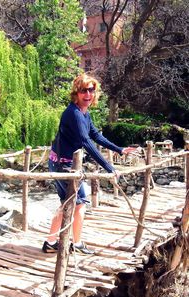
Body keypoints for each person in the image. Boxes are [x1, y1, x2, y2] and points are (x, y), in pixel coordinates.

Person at [42, 74, 135, 254]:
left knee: (69, 204)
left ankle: (52, 242)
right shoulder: (74, 113)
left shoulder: (84, 113)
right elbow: (85, 142)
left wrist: (119, 150)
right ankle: (74, 244)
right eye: (84, 90)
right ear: (76, 93)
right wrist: (110, 168)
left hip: (62, 163)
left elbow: (96, 135)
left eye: (91, 90)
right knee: (79, 203)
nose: (88, 94)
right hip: (64, 165)